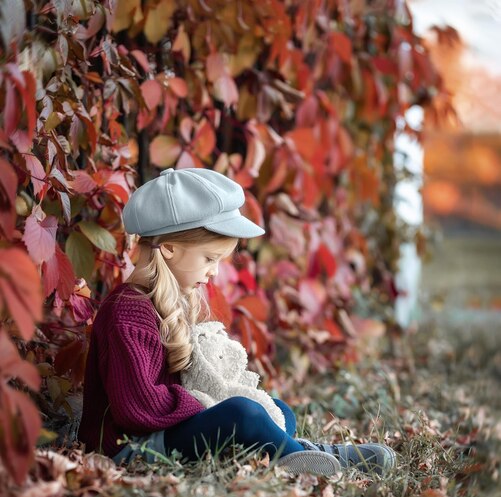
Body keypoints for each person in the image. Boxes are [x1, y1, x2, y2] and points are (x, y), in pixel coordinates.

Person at [79, 167, 396, 477]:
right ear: (171, 249)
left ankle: (294, 451)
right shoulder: (128, 311)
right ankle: (304, 456)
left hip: (165, 430)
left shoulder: (171, 299)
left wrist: (216, 392)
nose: (214, 272)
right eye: (209, 259)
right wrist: (209, 400)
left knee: (276, 410)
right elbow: (138, 409)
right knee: (243, 414)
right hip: (128, 448)